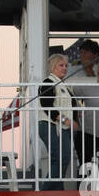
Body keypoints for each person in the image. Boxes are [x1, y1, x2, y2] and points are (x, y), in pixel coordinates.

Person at [38, 53, 79, 188]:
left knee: (64, 159)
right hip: (50, 125)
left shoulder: (65, 86)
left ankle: (57, 194)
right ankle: (45, 194)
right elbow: (47, 105)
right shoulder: (47, 83)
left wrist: (76, 119)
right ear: (53, 67)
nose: (64, 68)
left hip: (63, 129)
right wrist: (65, 120)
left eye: (66, 65)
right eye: (61, 65)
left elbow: (71, 105)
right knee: (59, 159)